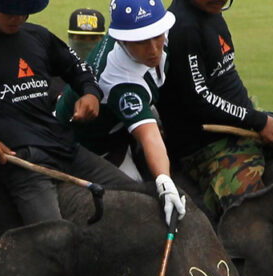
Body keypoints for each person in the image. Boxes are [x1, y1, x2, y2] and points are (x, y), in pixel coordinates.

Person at [0, 0, 135, 228]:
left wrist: (90, 93)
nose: (17, 18)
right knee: (54, 239)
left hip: (65, 147)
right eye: (9, 10)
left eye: (24, 12)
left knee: (139, 196)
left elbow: (79, 68)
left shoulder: (39, 37)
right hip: (22, 163)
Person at [155, 0, 273, 216]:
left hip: (246, 119)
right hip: (208, 143)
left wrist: (254, 117)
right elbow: (199, 98)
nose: (220, 3)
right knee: (253, 216)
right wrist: (258, 121)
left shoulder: (210, 9)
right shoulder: (183, 28)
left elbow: (226, 72)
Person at [55, 0, 186, 224]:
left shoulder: (160, 34)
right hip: (89, 147)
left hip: (118, 130)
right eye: (142, 42)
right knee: (133, 203)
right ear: (122, 39)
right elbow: (149, 136)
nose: (154, 49)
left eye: (157, 36)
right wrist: (165, 182)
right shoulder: (119, 79)